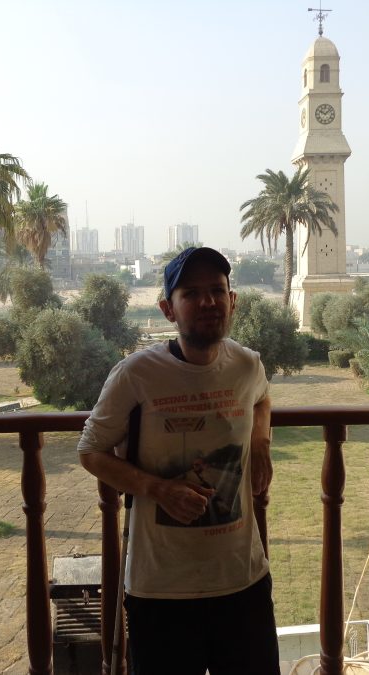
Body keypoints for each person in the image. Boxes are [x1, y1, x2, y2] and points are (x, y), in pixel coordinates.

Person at [78, 246, 280, 675]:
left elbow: (262, 398)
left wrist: (260, 441)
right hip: (161, 590)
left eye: (217, 290)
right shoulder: (136, 374)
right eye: (191, 293)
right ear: (168, 309)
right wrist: (160, 489)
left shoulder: (246, 365)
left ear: (232, 300)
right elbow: (91, 450)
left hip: (242, 581)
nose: (208, 301)